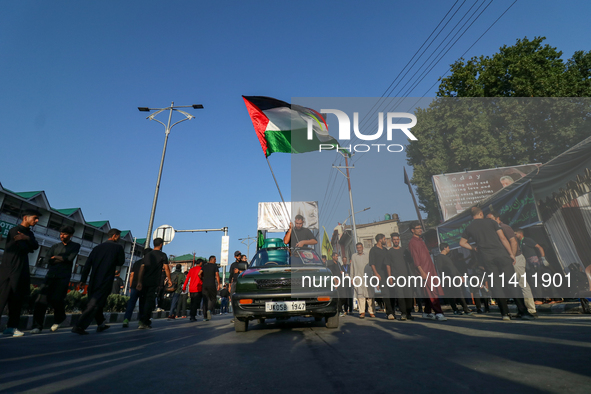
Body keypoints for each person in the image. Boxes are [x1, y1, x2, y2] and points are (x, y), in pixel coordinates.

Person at [459, 208, 533, 321]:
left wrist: (474, 248)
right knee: (512, 283)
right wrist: (511, 254)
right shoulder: (492, 222)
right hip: (501, 255)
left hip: (486, 258)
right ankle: (523, 312)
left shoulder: (469, 228)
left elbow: (462, 243)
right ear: (481, 213)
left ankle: (505, 314)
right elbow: (503, 238)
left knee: (497, 286)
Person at [72, 228, 125, 334]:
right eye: (119, 236)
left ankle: (101, 324)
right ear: (114, 236)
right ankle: (79, 326)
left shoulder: (97, 247)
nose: (119, 238)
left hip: (93, 279)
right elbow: (121, 262)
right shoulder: (118, 247)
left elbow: (87, 264)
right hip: (105, 279)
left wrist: (83, 280)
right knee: (94, 303)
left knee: (98, 302)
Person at [31, 225, 80, 334]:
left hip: (63, 277)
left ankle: (60, 318)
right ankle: (37, 326)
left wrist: (56, 258)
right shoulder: (55, 246)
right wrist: (60, 259)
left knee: (56, 299)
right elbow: (47, 260)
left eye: (65, 234)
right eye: (61, 234)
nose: (62, 236)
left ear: (71, 235)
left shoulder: (75, 246)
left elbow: (69, 259)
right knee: (40, 300)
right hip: (50, 275)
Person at [486, 212, 537, 317]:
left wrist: (512, 257)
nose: (490, 222)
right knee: (515, 285)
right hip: (508, 260)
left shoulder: (504, 228)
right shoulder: (496, 230)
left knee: (522, 284)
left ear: (498, 218)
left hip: (516, 258)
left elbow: (513, 242)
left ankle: (531, 309)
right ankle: (522, 309)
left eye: (491, 219)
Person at [0, 209, 41, 337]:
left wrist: (26, 238)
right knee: (2, 297)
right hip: (9, 268)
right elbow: (25, 247)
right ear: (25, 218)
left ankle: (12, 327)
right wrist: (27, 242)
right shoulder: (14, 230)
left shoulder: (29, 234)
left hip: (22, 269)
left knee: (17, 299)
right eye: (34, 218)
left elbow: (35, 246)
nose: (37, 221)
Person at [408, 222, 447, 321]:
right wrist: (422, 272)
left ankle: (427, 312)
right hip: (424, 271)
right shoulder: (412, 243)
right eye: (417, 228)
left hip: (430, 269)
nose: (420, 230)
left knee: (429, 291)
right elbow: (415, 260)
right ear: (412, 230)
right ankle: (438, 313)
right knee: (432, 292)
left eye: (420, 228)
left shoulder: (421, 240)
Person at [136, 238, 171, 329]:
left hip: (144, 280)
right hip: (154, 281)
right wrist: (169, 279)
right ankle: (145, 321)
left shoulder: (147, 255)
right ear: (161, 245)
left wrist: (139, 281)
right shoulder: (162, 255)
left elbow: (142, 268)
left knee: (143, 300)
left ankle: (141, 320)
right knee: (149, 301)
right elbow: (166, 268)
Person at [437, 243, 473, 316]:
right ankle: (456, 309)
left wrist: (460, 275)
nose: (449, 249)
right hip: (448, 279)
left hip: (454, 278)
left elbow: (453, 267)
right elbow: (439, 268)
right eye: (448, 248)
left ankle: (465, 309)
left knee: (459, 293)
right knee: (451, 295)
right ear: (445, 248)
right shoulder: (439, 257)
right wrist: (445, 277)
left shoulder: (447, 257)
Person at [388, 233, 415, 320]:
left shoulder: (404, 250)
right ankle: (403, 313)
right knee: (400, 296)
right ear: (392, 240)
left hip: (407, 277)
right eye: (394, 239)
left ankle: (409, 313)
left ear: (399, 240)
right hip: (396, 277)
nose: (396, 241)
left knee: (408, 295)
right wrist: (390, 277)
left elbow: (411, 262)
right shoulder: (390, 252)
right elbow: (388, 265)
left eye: (397, 239)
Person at [122, 248, 152, 328]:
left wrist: (131, 286)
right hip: (144, 286)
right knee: (142, 304)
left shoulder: (137, 263)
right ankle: (141, 321)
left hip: (134, 286)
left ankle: (126, 320)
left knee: (131, 303)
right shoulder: (150, 264)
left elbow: (131, 275)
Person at [514, 229, 547, 300]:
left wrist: (543, 258)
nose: (515, 236)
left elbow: (539, 247)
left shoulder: (527, 240)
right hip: (528, 264)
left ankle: (540, 298)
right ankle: (539, 297)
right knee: (532, 280)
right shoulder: (519, 243)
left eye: (516, 234)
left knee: (535, 280)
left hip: (534, 262)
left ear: (520, 233)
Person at [370, 234, 395, 320]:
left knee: (392, 293)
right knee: (386, 293)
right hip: (380, 275)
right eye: (385, 239)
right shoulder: (373, 250)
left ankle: (393, 311)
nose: (386, 241)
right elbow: (372, 263)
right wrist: (376, 274)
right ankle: (389, 313)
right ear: (380, 240)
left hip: (388, 274)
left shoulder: (385, 250)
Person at [350, 242, 374, 318]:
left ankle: (371, 311)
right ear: (356, 248)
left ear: (362, 248)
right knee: (360, 295)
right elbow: (352, 267)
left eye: (360, 247)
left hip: (367, 277)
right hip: (358, 278)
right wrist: (352, 278)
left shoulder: (367, 255)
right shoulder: (354, 256)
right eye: (358, 248)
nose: (359, 249)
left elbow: (371, 266)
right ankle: (362, 312)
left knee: (369, 295)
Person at [199, 255, 220, 321]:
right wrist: (219, 284)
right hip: (212, 284)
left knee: (205, 300)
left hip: (204, 284)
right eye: (215, 259)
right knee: (213, 298)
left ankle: (205, 317)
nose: (216, 261)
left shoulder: (204, 266)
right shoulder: (215, 266)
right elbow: (217, 275)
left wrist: (202, 279)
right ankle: (209, 310)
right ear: (212, 259)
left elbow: (199, 274)